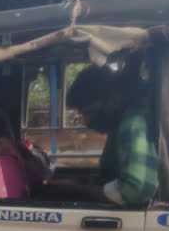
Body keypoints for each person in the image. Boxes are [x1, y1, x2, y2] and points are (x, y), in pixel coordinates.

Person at [62, 65, 158, 206]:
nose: (86, 121)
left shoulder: (132, 124)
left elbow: (137, 189)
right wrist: (85, 182)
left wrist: (79, 190)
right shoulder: (119, 126)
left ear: (110, 98)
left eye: (88, 112)